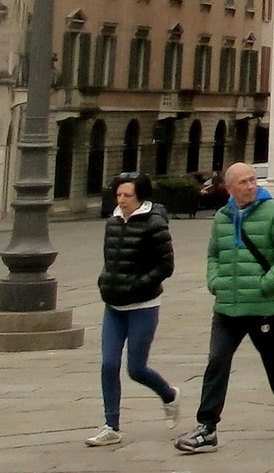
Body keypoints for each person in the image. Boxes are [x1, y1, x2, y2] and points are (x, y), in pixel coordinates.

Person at [174, 163, 274, 453]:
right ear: (229, 188)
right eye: (242, 182)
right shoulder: (222, 217)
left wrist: (265, 283)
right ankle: (207, 427)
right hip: (227, 306)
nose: (250, 186)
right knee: (217, 362)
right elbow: (214, 254)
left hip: (263, 306)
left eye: (252, 180)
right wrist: (215, 281)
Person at [85, 174, 179, 447]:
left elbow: (166, 266)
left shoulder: (155, 223)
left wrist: (139, 285)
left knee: (136, 368)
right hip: (113, 305)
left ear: (140, 197)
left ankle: (169, 395)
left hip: (143, 305)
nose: (121, 200)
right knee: (108, 364)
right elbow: (110, 259)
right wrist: (105, 282)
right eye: (118, 195)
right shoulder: (113, 222)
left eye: (127, 195)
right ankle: (110, 426)